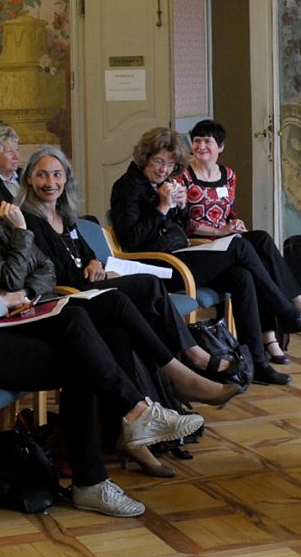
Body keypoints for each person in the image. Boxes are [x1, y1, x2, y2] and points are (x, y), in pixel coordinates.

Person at [0, 167, 203, 517]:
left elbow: (4, 286)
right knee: (81, 361)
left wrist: (11, 299)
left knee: (78, 318)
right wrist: (4, 301)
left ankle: (133, 422)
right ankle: (108, 456)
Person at [0, 157, 238, 473]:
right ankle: (179, 377)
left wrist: (27, 291)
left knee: (117, 330)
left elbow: (43, 270)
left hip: (37, 306)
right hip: (15, 324)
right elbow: (13, 278)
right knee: (115, 303)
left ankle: (132, 435)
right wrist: (21, 239)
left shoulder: (5, 226)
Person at [110, 127, 301, 386]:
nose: (163, 169)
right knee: (240, 248)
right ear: (145, 157)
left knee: (242, 276)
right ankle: (286, 312)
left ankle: (256, 363)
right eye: (158, 162)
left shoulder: (163, 184)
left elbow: (179, 226)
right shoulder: (126, 186)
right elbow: (132, 239)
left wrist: (179, 207)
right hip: (158, 267)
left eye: (170, 164)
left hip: (182, 255)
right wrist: (163, 207)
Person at [19, 146, 238, 381]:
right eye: (42, 174)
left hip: (89, 284)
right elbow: (53, 272)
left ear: (66, 178)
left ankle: (169, 377)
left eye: (57, 174)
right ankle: (190, 359)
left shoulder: (64, 214)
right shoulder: (29, 220)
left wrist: (94, 262)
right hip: (69, 295)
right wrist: (99, 275)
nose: (50, 182)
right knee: (147, 287)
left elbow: (86, 252)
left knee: (145, 300)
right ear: (30, 178)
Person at [180, 118, 301, 330]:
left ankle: (285, 317)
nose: (201, 146)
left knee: (261, 241)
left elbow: (229, 212)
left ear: (221, 146)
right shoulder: (183, 176)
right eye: (197, 141)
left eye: (207, 141)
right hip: (201, 244)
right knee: (256, 258)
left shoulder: (229, 175)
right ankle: (294, 309)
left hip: (226, 239)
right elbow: (183, 222)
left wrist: (235, 223)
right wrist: (220, 230)